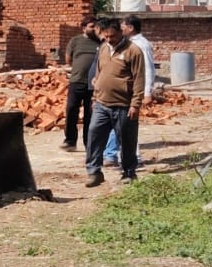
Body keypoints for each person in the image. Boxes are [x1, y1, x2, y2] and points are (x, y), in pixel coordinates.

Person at [85, 18, 146, 187]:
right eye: (106, 36)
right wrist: (95, 98)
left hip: (124, 105)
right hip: (102, 104)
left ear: (120, 32)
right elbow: (99, 73)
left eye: (112, 36)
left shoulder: (133, 51)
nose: (109, 39)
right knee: (94, 135)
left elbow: (139, 79)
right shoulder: (104, 48)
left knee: (126, 141)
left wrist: (135, 104)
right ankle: (94, 172)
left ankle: (129, 173)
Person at [103, 15, 154, 166]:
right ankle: (112, 155)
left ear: (130, 28)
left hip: (132, 92)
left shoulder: (141, 45)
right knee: (120, 124)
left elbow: (147, 70)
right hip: (122, 92)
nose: (120, 29)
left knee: (127, 125)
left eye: (123, 27)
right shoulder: (125, 44)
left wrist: (147, 92)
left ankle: (130, 157)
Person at [61, 17, 99, 152]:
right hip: (76, 81)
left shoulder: (100, 42)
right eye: (91, 26)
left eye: (96, 26)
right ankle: (70, 141)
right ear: (84, 28)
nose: (94, 29)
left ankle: (88, 142)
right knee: (71, 110)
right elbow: (68, 59)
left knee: (90, 114)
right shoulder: (75, 41)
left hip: (94, 85)